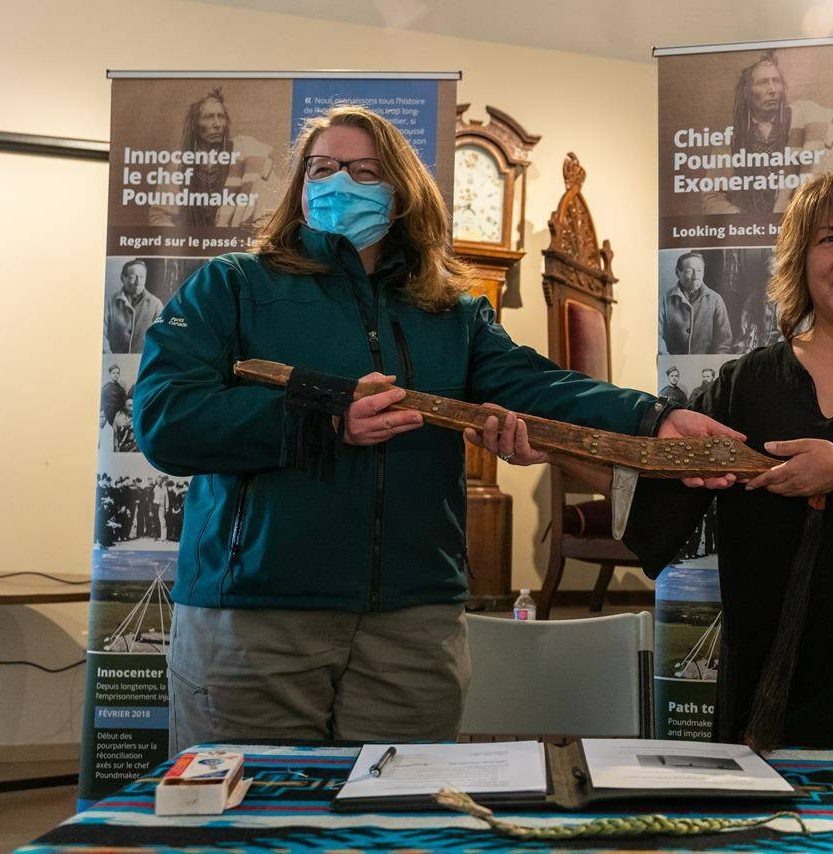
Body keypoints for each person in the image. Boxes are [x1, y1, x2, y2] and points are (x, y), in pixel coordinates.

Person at [134, 104, 735, 754]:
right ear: (300, 186)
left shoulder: (452, 314)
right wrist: (319, 417)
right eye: (324, 168)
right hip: (254, 619)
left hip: (413, 623)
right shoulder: (232, 286)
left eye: (363, 171)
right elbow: (166, 419)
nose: (340, 183)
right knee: (252, 827)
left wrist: (655, 419)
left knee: (398, 829)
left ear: (401, 195)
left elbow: (540, 385)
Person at [530, 167, 833, 752]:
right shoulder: (747, 384)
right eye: (828, 239)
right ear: (800, 260)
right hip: (780, 682)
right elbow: (663, 490)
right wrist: (548, 449)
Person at [701, 52, 833, 215]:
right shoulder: (731, 138)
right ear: (747, 92)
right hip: (753, 229)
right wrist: (741, 220)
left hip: (797, 224)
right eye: (762, 83)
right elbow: (712, 196)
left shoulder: (806, 121)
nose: (772, 89)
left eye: (776, 81)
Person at [148, 87, 275, 229]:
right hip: (192, 244)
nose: (217, 124)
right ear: (195, 125)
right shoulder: (178, 164)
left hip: (232, 242)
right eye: (209, 117)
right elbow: (160, 217)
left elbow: (269, 204)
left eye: (221, 117)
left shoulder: (244, 155)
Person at [659, 251, 732, 355]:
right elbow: (656, 336)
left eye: (699, 270)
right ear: (677, 272)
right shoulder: (664, 300)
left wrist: (714, 365)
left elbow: (724, 342)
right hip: (674, 367)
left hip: (706, 367)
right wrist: (669, 362)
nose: (695, 276)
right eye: (689, 271)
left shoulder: (715, 300)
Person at [103, 260, 163, 353]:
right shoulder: (109, 302)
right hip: (116, 363)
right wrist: (110, 356)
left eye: (142, 277)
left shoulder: (156, 304)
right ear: (123, 278)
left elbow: (162, 335)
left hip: (143, 362)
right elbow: (101, 334)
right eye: (133, 277)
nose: (138, 282)